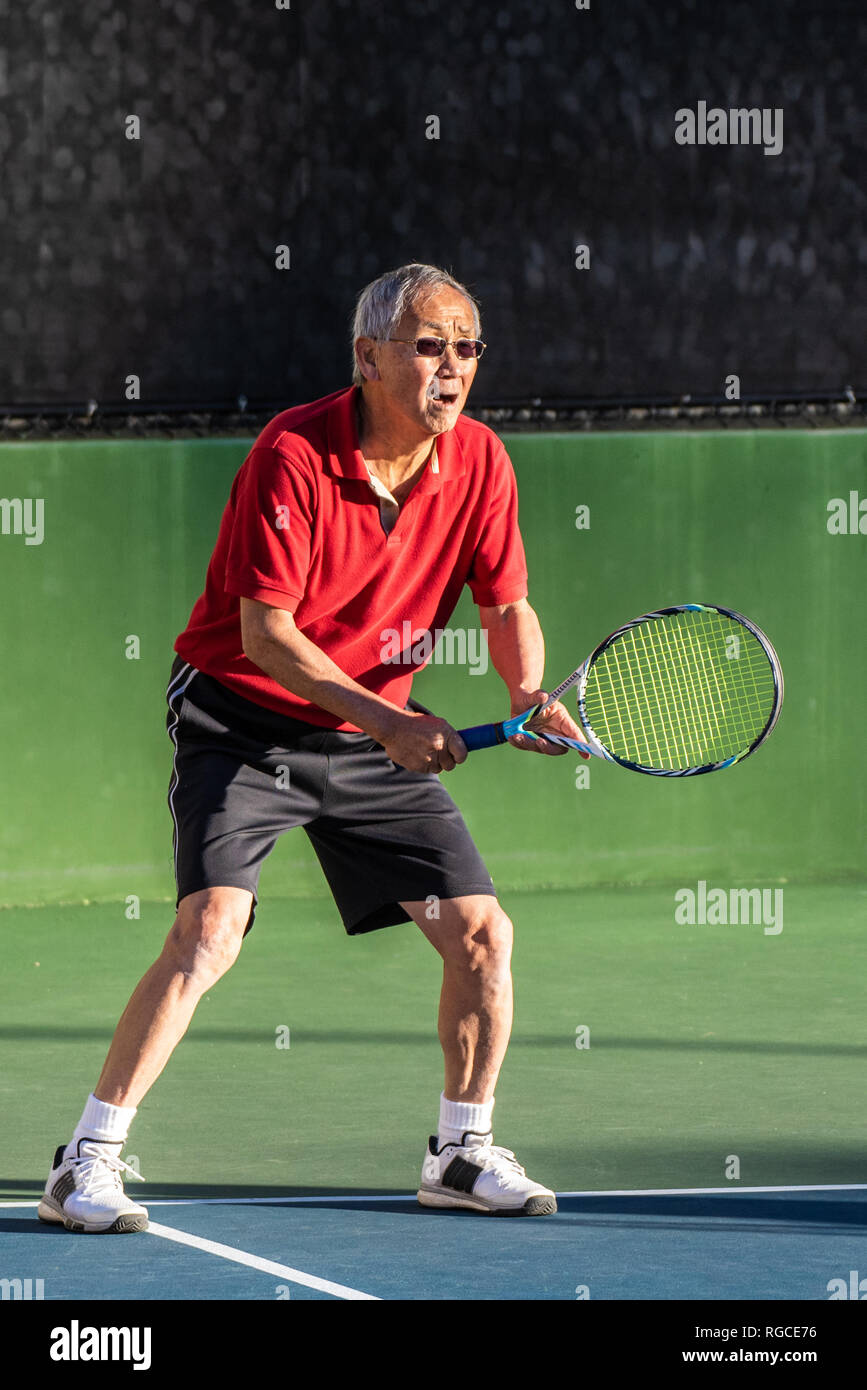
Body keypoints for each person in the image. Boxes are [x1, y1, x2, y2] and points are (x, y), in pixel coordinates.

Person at [39, 262, 588, 1233]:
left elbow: (506, 603)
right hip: (242, 719)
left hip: (370, 734)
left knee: (481, 934)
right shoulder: (291, 451)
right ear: (368, 357)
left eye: (467, 348)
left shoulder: (481, 463)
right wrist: (388, 722)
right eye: (429, 347)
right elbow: (265, 633)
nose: (452, 367)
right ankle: (85, 1161)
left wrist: (525, 692)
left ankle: (459, 1152)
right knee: (210, 930)